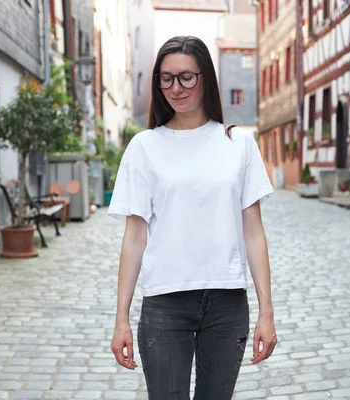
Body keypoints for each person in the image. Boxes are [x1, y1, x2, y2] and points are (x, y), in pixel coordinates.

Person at [107, 35, 277, 400]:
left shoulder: (239, 145)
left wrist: (267, 311)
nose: (175, 87)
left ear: (206, 79)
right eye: (165, 78)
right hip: (164, 304)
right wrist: (121, 317)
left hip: (227, 303)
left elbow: (253, 233)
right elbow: (134, 237)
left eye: (186, 77)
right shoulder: (144, 147)